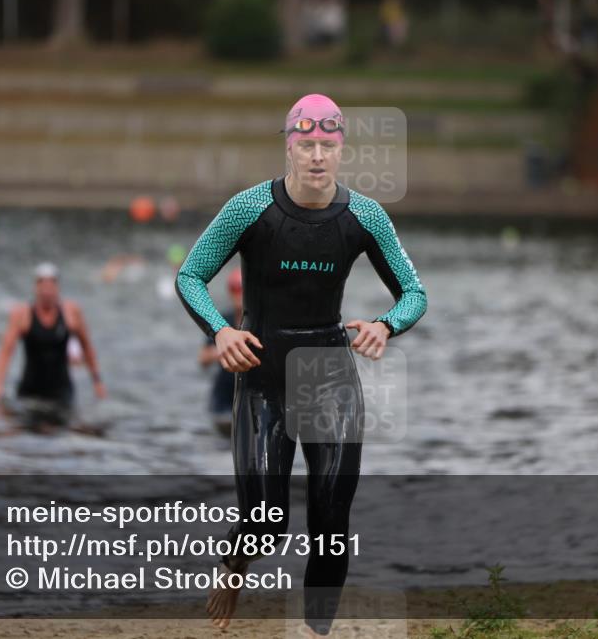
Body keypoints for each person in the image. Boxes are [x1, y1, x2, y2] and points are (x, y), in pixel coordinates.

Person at [175, 94, 426, 635]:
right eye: (306, 144)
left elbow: (414, 293)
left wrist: (386, 325)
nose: (316, 156)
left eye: (327, 146)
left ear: (341, 151)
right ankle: (234, 563)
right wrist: (220, 330)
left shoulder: (364, 216)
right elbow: (190, 275)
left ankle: (316, 632)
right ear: (288, 148)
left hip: (329, 379)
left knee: (331, 521)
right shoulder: (249, 208)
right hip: (263, 378)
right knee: (266, 523)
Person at [0, 262, 106, 432]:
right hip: (30, 392)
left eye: (51, 285)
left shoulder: (71, 313)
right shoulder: (22, 314)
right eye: (42, 285)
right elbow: (6, 352)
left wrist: (97, 381)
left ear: (57, 287)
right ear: (35, 287)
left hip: (62, 391)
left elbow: (87, 347)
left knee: (63, 435)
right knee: (25, 434)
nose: (47, 291)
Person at [197, 267, 244, 436]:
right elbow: (203, 359)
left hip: (249, 391)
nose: (238, 295)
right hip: (223, 394)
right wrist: (227, 349)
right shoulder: (222, 320)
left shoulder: (260, 321)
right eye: (234, 289)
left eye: (241, 289)